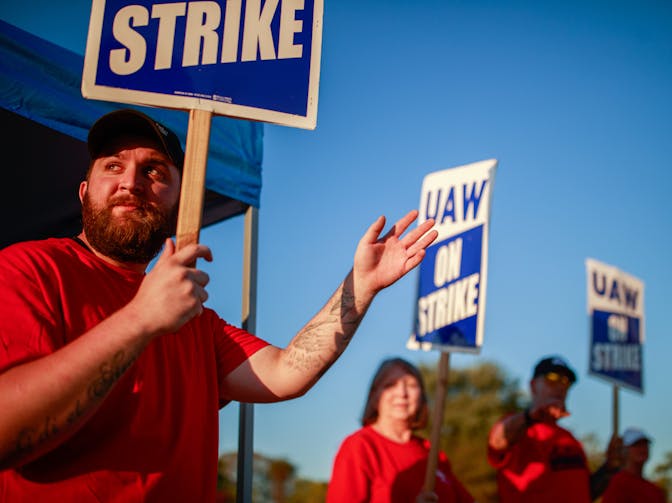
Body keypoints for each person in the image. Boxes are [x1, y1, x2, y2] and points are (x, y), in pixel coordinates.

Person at [0, 109, 438, 501]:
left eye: (154, 171)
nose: (131, 182)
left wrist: (360, 285)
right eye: (113, 166)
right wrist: (140, 320)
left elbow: (288, 372)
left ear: (177, 203)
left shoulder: (194, 319)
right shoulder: (31, 269)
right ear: (83, 191)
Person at [327, 357, 474, 503]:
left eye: (411, 385)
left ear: (422, 396)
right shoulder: (359, 446)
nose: (402, 393)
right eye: (390, 385)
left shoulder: (432, 452)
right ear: (374, 396)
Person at [487, 355, 623, 502]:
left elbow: (586, 493)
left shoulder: (569, 439)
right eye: (552, 378)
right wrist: (530, 416)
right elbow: (499, 440)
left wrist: (609, 467)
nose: (560, 386)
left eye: (566, 381)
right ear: (533, 385)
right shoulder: (518, 427)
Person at [601, 427, 665, 503]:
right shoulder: (619, 484)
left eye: (645, 444)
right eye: (636, 444)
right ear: (624, 450)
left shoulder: (655, 491)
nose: (642, 448)